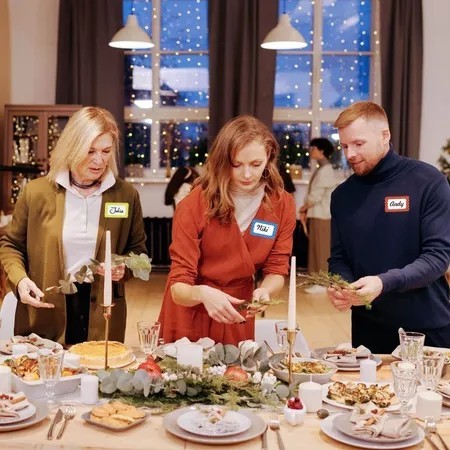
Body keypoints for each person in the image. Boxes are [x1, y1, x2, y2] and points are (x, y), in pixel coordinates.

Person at [0, 106, 147, 345]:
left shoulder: (125, 195)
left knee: (97, 366)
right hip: (46, 307)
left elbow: (138, 251)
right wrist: (20, 279)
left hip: (102, 311)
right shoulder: (37, 192)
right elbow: (10, 245)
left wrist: (125, 268)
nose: (99, 160)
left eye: (106, 151)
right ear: (72, 147)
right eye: (90, 151)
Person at [158, 115, 297, 345]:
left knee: (236, 367)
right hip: (191, 306)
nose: (247, 174)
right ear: (222, 160)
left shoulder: (282, 204)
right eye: (236, 164)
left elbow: (277, 269)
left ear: (269, 157)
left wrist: (265, 291)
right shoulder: (195, 203)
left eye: (256, 164)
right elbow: (178, 286)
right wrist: (202, 293)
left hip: (237, 307)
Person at [327, 101, 450, 353]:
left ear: (385, 136)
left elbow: (437, 257)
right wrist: (342, 285)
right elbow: (339, 258)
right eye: (345, 146)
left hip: (427, 328)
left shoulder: (428, 182)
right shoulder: (342, 196)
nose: (350, 154)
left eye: (358, 144)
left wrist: (383, 282)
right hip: (368, 329)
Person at [299, 138, 339, 277]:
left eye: (313, 148)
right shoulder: (321, 169)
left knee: (321, 250)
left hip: (322, 215)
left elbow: (316, 195)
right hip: (317, 214)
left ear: (321, 151)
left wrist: (304, 207)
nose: (311, 151)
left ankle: (322, 281)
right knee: (315, 249)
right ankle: (315, 279)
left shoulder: (326, 170)